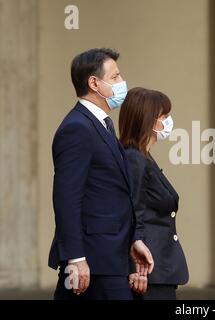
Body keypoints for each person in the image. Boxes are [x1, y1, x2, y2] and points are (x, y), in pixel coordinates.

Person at [48, 48, 153, 300]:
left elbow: (114, 194)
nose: (121, 82)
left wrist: (134, 241)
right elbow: (67, 198)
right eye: (115, 77)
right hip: (93, 263)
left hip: (113, 259)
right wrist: (76, 257)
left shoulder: (102, 125)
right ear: (94, 83)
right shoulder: (77, 128)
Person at [119, 87, 189, 300]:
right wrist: (133, 268)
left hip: (160, 268)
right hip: (148, 272)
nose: (169, 121)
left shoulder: (144, 156)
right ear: (149, 120)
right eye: (164, 116)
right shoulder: (134, 159)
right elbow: (131, 214)